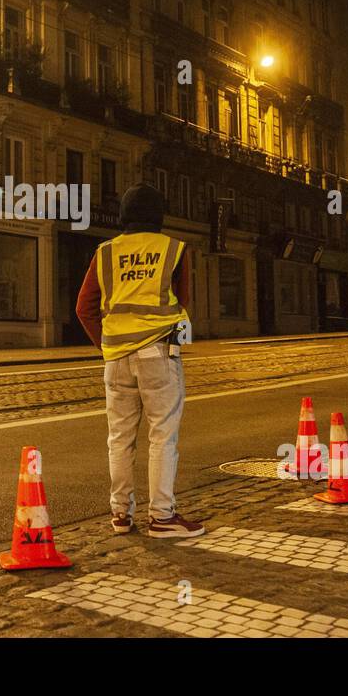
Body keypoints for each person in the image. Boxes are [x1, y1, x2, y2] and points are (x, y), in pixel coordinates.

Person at [76, 183, 205, 539]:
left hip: (115, 358)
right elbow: (184, 300)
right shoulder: (174, 249)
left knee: (119, 437)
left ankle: (120, 515)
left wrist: (107, 345)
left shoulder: (104, 252)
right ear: (159, 216)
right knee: (162, 435)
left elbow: (83, 308)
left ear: (123, 217)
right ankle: (162, 517)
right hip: (157, 353)